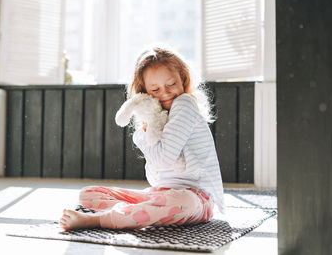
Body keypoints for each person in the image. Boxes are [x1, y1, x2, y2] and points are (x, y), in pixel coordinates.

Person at [59, 45, 225, 230]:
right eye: (155, 89)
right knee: (88, 194)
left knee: (182, 201)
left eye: (171, 84)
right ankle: (137, 213)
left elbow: (163, 160)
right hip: (160, 195)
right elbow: (156, 177)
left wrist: (144, 137)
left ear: (183, 79)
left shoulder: (184, 104)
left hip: (196, 199)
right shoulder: (156, 118)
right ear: (144, 93)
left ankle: (100, 219)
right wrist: (149, 128)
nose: (165, 93)